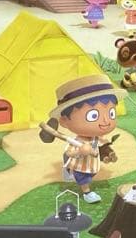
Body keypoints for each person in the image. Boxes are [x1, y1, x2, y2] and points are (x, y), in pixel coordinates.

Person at [42, 74, 125, 204]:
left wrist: (107, 153)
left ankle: (85, 170)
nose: (105, 121)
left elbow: (100, 146)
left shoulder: (97, 137)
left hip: (92, 164)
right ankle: (87, 192)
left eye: (111, 114)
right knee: (84, 178)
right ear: (64, 121)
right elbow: (69, 153)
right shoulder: (79, 141)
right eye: (93, 116)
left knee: (92, 171)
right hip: (81, 166)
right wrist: (80, 151)